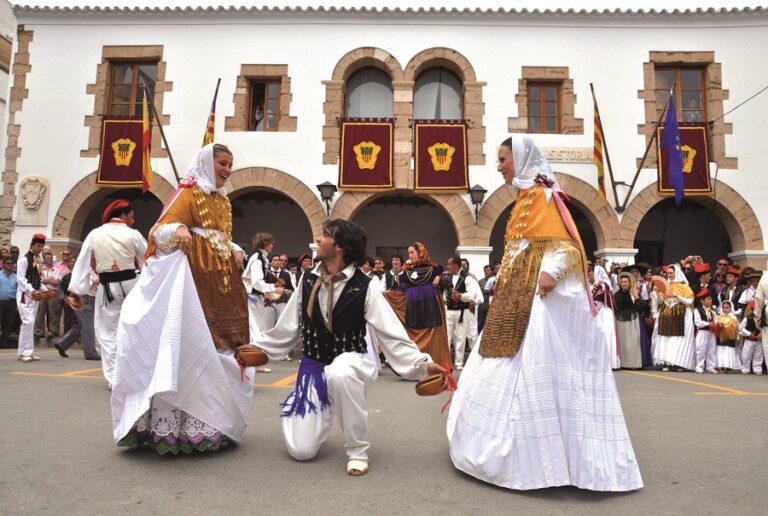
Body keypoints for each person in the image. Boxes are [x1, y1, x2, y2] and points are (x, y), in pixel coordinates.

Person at [447, 135, 642, 491]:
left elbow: (568, 246)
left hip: (536, 299)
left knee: (533, 370)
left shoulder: (543, 196)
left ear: (520, 160)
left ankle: (544, 461)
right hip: (515, 298)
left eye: (503, 159)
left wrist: (550, 272)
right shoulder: (524, 198)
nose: (499, 166)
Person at [254, 219, 445, 476]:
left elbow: (391, 333)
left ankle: (357, 449)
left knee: (340, 372)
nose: (318, 240)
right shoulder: (308, 280)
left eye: (325, 235)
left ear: (340, 245)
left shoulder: (366, 286)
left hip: (352, 362)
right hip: (313, 366)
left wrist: (421, 364)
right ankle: (321, 404)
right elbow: (288, 327)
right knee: (301, 451)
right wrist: (257, 350)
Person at [112, 142, 255, 454]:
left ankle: (215, 423)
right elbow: (158, 230)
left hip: (221, 282)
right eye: (222, 163)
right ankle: (174, 428)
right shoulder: (187, 192)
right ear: (207, 162)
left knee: (222, 346)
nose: (227, 169)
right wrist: (177, 229)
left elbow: (220, 238)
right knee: (192, 343)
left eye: (230, 164)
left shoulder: (223, 201)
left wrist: (234, 248)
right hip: (194, 278)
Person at [68, 199, 147, 389]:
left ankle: (113, 378)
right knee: (133, 328)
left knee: (106, 332)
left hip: (107, 288)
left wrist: (76, 290)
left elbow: (82, 261)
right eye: (131, 217)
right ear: (123, 215)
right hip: (131, 285)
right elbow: (148, 260)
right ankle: (131, 374)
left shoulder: (95, 234)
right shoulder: (133, 234)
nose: (133, 221)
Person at [383, 242, 451, 367]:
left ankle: (435, 364)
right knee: (412, 336)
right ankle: (415, 366)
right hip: (413, 309)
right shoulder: (406, 272)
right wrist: (387, 295)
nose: (410, 255)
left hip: (431, 308)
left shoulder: (435, 268)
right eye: (409, 253)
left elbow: (447, 283)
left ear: (420, 252)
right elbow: (400, 291)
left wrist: (439, 278)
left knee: (434, 335)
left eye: (412, 252)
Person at [54, 255, 101, 361]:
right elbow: (79, 284)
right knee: (88, 325)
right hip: (83, 297)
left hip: (92, 298)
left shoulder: (95, 270)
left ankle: (62, 344)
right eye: (95, 260)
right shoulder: (83, 270)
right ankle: (90, 352)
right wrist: (94, 281)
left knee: (81, 325)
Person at [443, 254, 483, 370]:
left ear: (456, 265)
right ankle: (446, 361)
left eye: (449, 264)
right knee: (446, 336)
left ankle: (459, 363)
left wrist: (461, 296)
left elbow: (472, 295)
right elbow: (444, 293)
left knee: (461, 338)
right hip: (449, 310)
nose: (448, 266)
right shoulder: (447, 277)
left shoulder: (468, 278)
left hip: (462, 311)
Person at [16, 234, 48, 362]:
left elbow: (38, 280)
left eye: (42, 246)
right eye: (38, 245)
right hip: (25, 295)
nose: (40, 248)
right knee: (28, 322)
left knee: (28, 324)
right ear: (32, 245)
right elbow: (21, 279)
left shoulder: (37, 261)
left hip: (34, 295)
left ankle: (23, 352)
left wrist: (46, 290)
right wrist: (32, 290)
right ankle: (26, 352)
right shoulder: (23, 260)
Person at [614, 271, 648, 369]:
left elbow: (643, 306)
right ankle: (623, 363)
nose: (623, 284)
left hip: (633, 320)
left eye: (625, 282)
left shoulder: (634, 293)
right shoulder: (617, 295)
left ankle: (634, 363)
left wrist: (637, 296)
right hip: (620, 320)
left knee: (633, 342)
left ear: (630, 283)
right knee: (623, 342)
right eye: (622, 282)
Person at [593, 265, 620, 369]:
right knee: (609, 335)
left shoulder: (600, 285)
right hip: (608, 312)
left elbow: (597, 301)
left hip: (602, 312)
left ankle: (604, 361)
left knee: (604, 335)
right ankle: (611, 361)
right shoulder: (607, 285)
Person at [34, 249, 61, 339]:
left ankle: (53, 331)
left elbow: (56, 282)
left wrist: (46, 280)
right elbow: (40, 281)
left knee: (53, 312)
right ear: (44, 259)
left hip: (53, 292)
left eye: (50, 258)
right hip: (43, 292)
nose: (49, 260)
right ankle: (39, 331)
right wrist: (49, 279)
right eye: (47, 258)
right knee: (41, 312)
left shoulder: (57, 270)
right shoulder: (40, 269)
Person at [693, 288, 718, 374]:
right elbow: (698, 322)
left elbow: (716, 320)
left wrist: (717, 324)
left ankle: (711, 366)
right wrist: (708, 324)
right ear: (702, 301)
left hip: (711, 332)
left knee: (711, 349)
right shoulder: (697, 310)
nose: (710, 301)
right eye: (708, 299)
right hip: (702, 332)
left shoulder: (712, 311)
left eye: (710, 299)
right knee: (700, 349)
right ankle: (699, 366)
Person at [715, 300, 741, 372]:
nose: (725, 309)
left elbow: (737, 329)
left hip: (730, 338)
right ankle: (721, 366)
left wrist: (737, 337)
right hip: (721, 337)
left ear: (731, 308)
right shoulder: (718, 317)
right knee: (721, 350)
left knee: (729, 350)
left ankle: (729, 366)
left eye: (727, 308)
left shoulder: (733, 318)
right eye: (723, 308)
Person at [739, 301, 763, 375]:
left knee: (758, 355)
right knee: (746, 354)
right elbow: (741, 328)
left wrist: (761, 334)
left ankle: (757, 368)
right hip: (749, 340)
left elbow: (764, 328)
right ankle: (745, 368)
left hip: (759, 340)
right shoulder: (747, 318)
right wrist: (749, 334)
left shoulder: (763, 318)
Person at [0, 256, 18, 348]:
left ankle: (4, 342)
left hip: (11, 302)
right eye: (8, 263)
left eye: (12, 263)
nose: (10, 265)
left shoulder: (16, 277)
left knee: (8, 323)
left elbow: (18, 291)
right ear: (3, 265)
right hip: (1, 302)